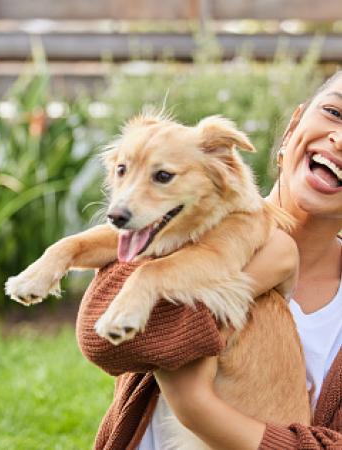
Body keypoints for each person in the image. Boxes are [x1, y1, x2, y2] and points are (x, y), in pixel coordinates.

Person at [76, 70, 342, 449]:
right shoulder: (177, 220)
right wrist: (256, 276)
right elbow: (103, 340)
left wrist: (198, 408)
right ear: (291, 129)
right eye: (335, 112)